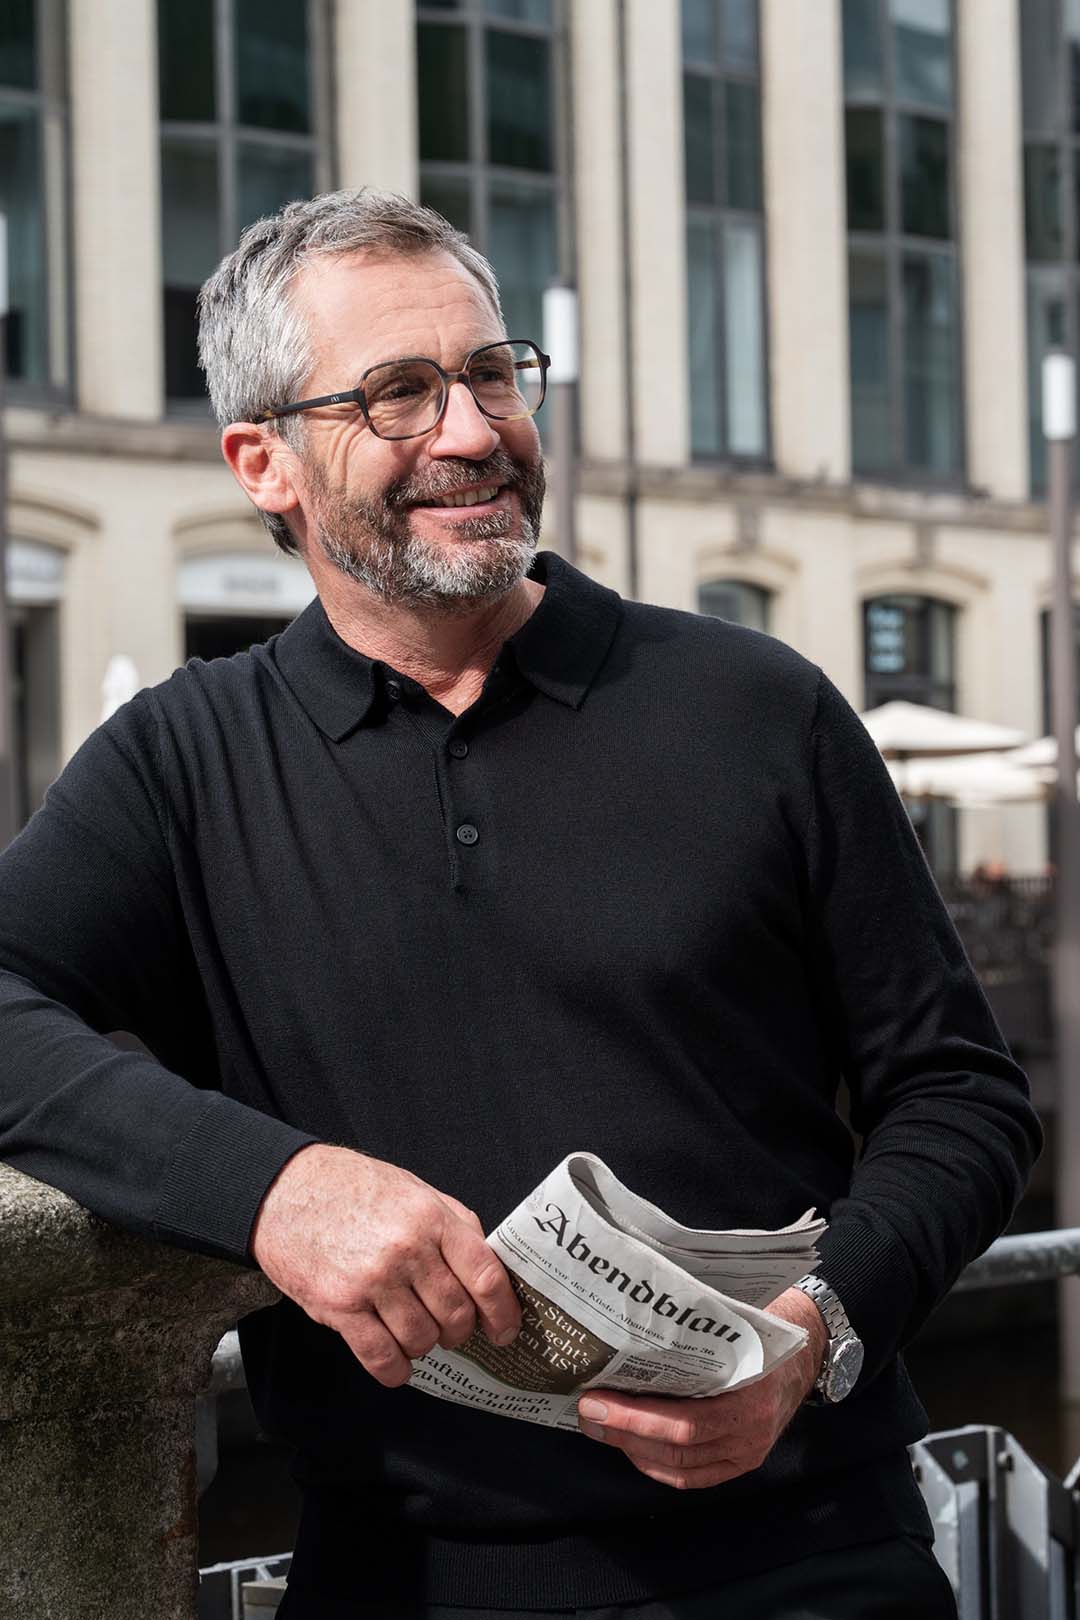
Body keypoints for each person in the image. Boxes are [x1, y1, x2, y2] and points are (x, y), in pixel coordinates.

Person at [0, 191, 1040, 1620]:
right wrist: (274, 1189)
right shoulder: (180, 762)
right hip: (402, 1579)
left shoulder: (759, 707)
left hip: (810, 1558)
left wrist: (819, 1331)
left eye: (491, 373)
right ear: (264, 462)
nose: (474, 431)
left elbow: (963, 1097)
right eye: (398, 393)